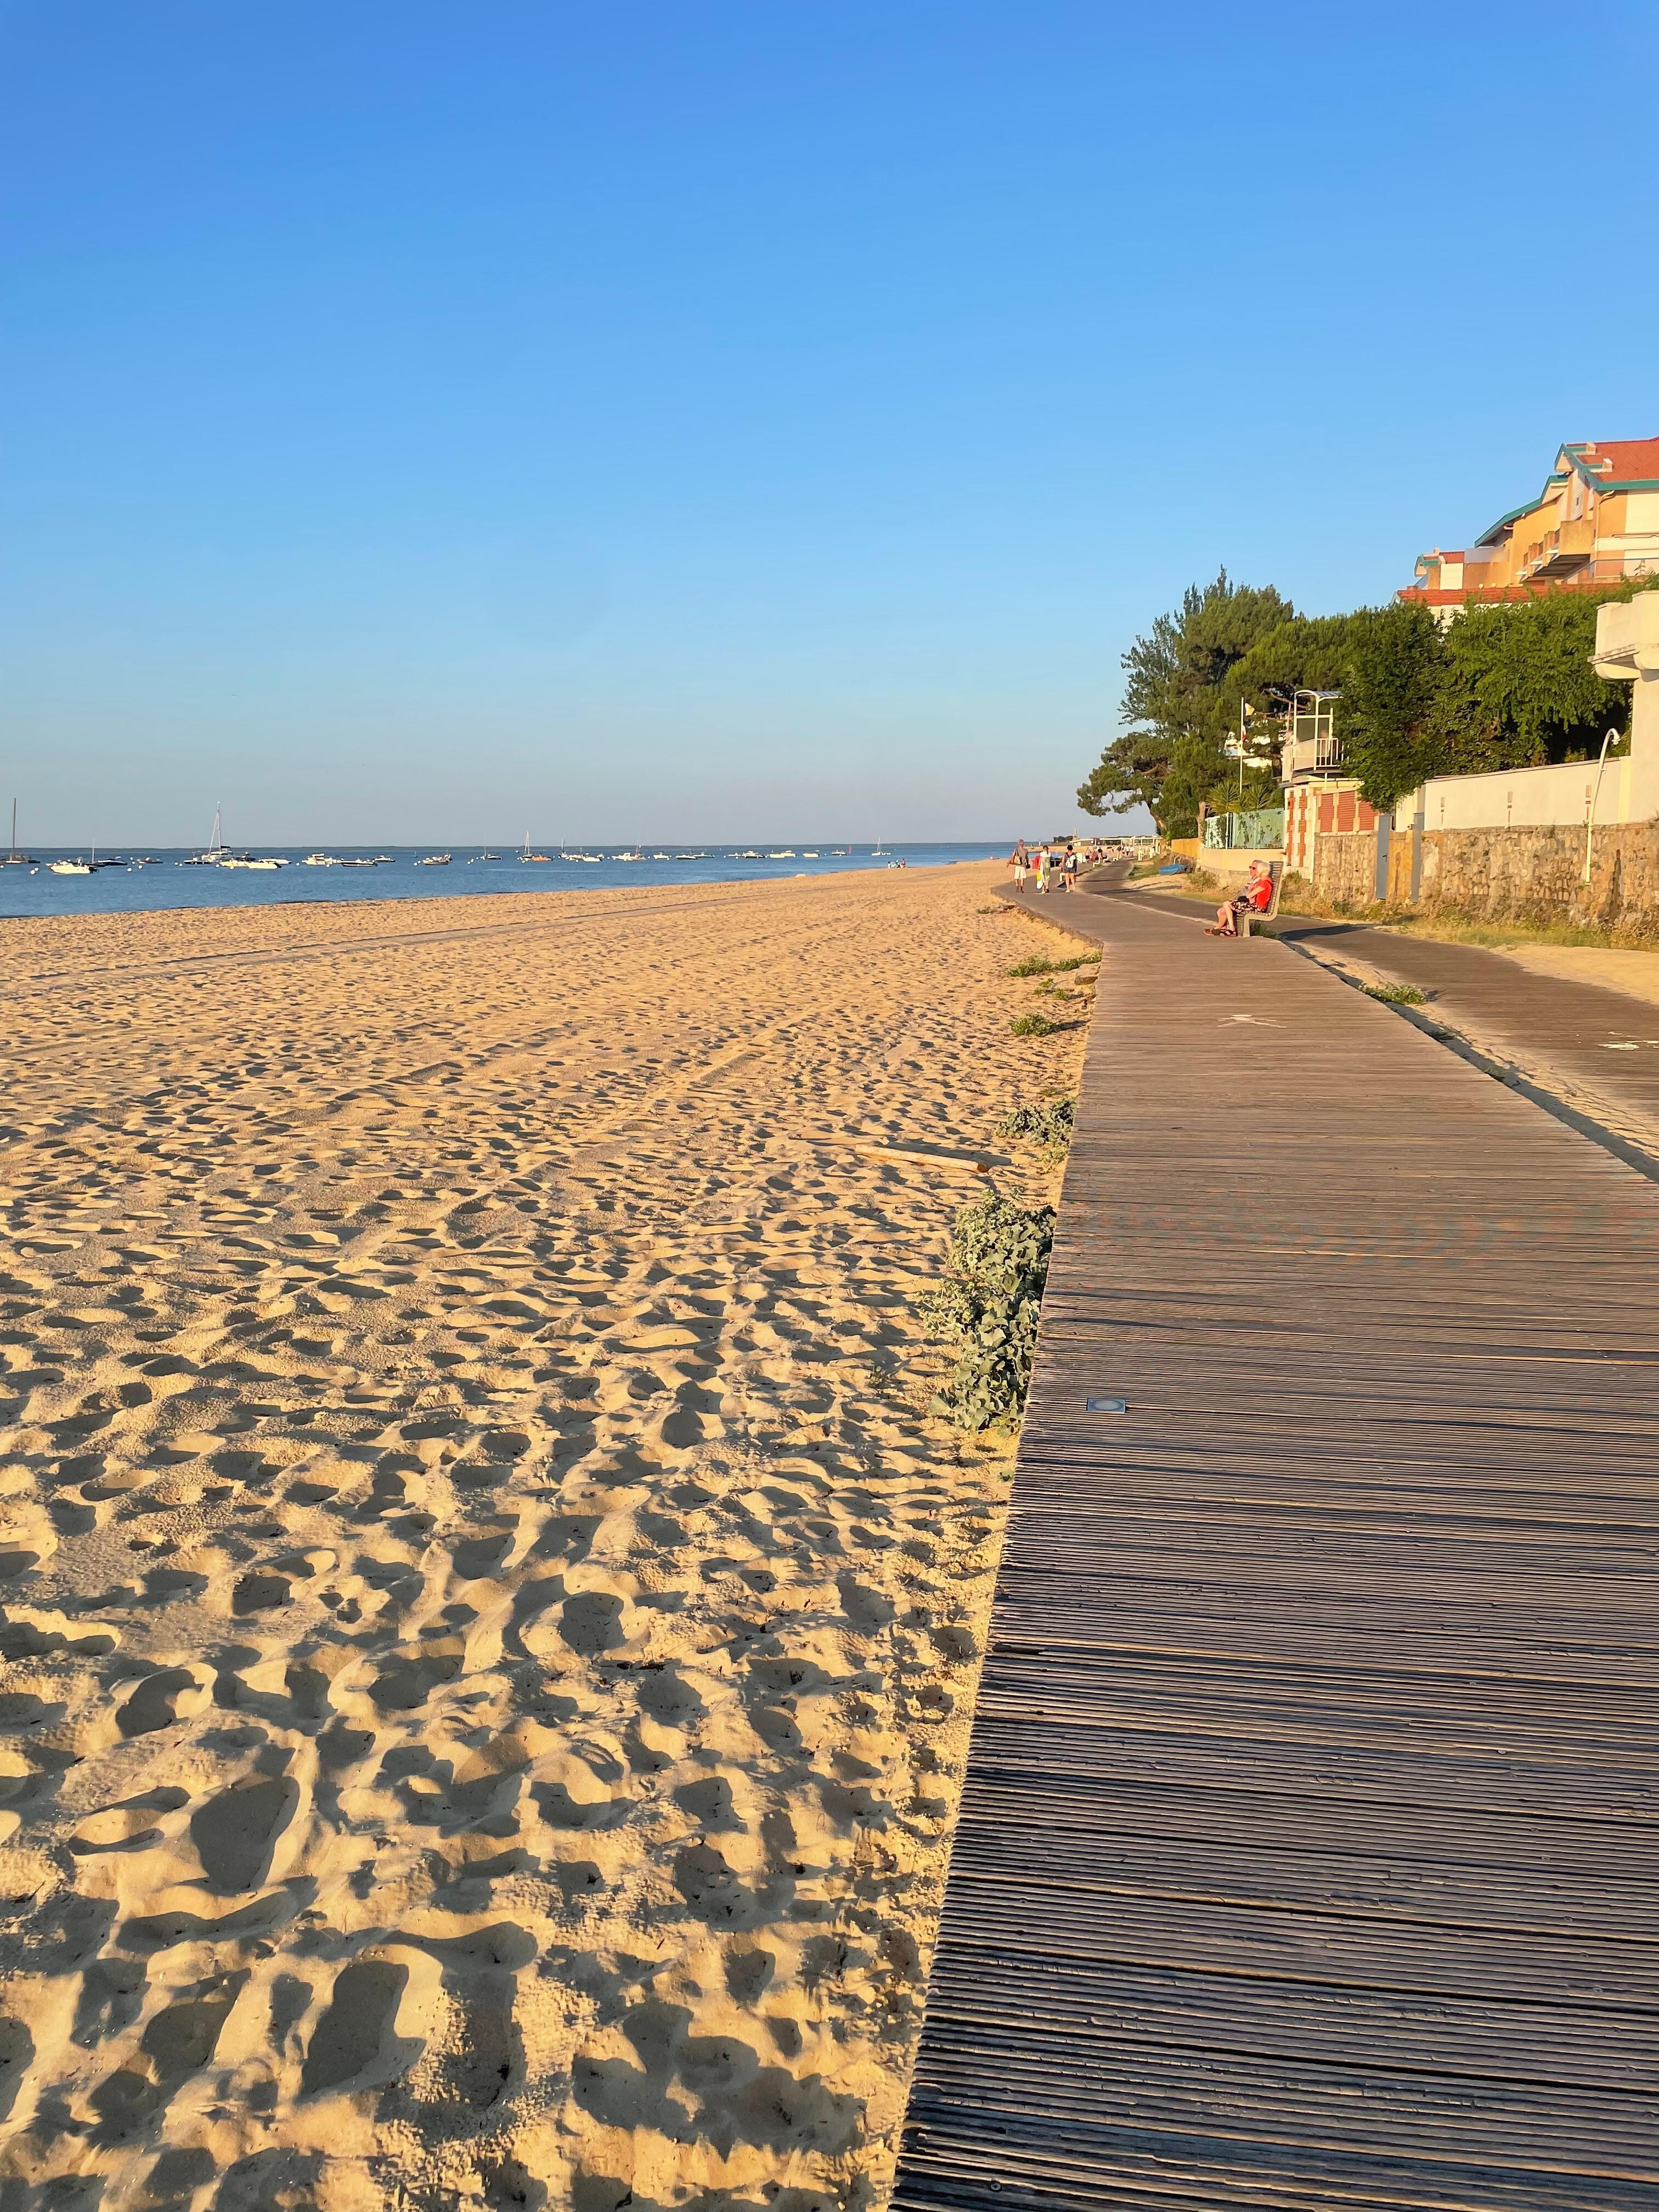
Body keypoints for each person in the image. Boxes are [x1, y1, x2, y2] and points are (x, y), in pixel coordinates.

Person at [1207, 862, 1273, 936]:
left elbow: (1248, 896)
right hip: (1254, 905)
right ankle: (1225, 928)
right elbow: (1250, 896)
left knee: (1227, 904)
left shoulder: (1264, 883)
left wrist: (1250, 890)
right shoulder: (1262, 882)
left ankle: (1232, 929)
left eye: (1257, 870)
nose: (1256, 871)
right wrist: (1251, 892)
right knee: (1225, 907)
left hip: (1258, 908)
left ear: (1261, 871)